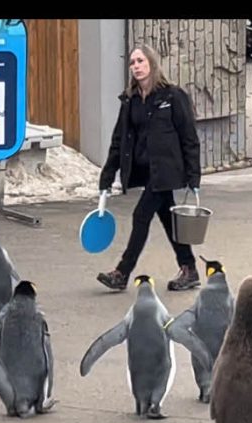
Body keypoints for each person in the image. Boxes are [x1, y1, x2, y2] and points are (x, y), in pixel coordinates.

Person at [96, 44, 202, 292]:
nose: (136, 66)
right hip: (146, 171)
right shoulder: (131, 100)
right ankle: (189, 268)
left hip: (167, 169)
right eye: (132, 62)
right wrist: (108, 175)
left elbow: (189, 137)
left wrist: (194, 175)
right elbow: (118, 140)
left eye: (141, 61)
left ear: (152, 64)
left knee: (140, 215)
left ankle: (122, 272)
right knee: (167, 218)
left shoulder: (173, 96)